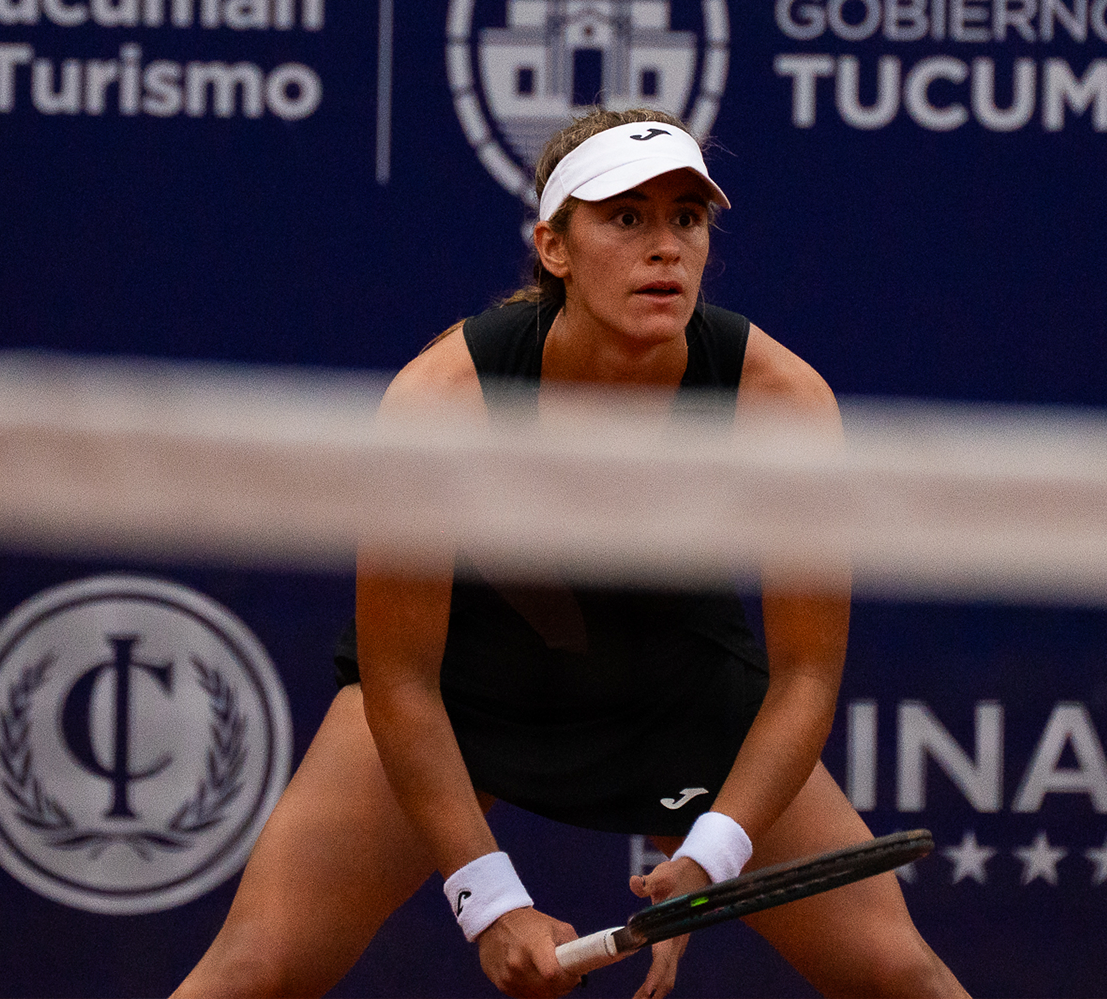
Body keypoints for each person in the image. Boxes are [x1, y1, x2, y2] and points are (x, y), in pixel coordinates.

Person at [174, 108, 967, 999]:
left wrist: (712, 854)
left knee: (901, 975)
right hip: (462, 690)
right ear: (554, 247)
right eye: (626, 217)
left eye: (686, 218)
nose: (664, 247)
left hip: (674, 693)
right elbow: (399, 676)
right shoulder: (443, 402)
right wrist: (489, 903)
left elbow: (808, 677)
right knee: (255, 968)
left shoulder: (781, 403)